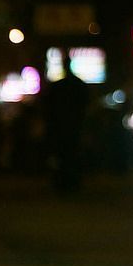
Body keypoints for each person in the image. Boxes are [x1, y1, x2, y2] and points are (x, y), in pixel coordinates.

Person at [43, 51, 89, 192]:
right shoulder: (78, 85)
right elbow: (86, 106)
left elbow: (48, 108)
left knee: (62, 157)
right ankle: (72, 183)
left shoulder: (57, 86)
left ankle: (63, 183)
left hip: (61, 128)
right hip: (74, 127)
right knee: (72, 156)